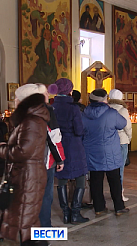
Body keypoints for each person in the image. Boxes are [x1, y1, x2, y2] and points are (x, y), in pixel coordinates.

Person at [0, 84, 53, 246]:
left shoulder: (32, 121)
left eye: (16, 99)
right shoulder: (31, 118)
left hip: (29, 176)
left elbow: (23, 151)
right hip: (27, 174)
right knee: (28, 219)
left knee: (26, 220)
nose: (14, 101)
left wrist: (2, 149)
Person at [82, 89, 129, 216]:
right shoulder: (111, 113)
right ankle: (119, 207)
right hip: (110, 152)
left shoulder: (84, 113)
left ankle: (99, 208)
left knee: (96, 180)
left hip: (91, 152)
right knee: (114, 180)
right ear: (104, 100)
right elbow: (122, 124)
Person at [50, 78, 90, 224]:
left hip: (57, 144)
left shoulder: (51, 107)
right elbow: (79, 130)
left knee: (61, 178)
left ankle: (65, 213)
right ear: (69, 91)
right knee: (80, 177)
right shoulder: (73, 108)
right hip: (73, 145)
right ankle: (75, 213)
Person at [39, 84, 65, 228]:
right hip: (45, 160)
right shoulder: (47, 110)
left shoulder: (23, 111)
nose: (48, 94)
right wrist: (60, 158)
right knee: (45, 197)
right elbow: (54, 137)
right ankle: (44, 230)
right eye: (45, 93)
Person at [108, 89, 133, 202]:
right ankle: (119, 193)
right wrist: (129, 138)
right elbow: (127, 126)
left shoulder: (106, 108)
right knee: (120, 168)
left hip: (108, 141)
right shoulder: (122, 110)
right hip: (121, 141)